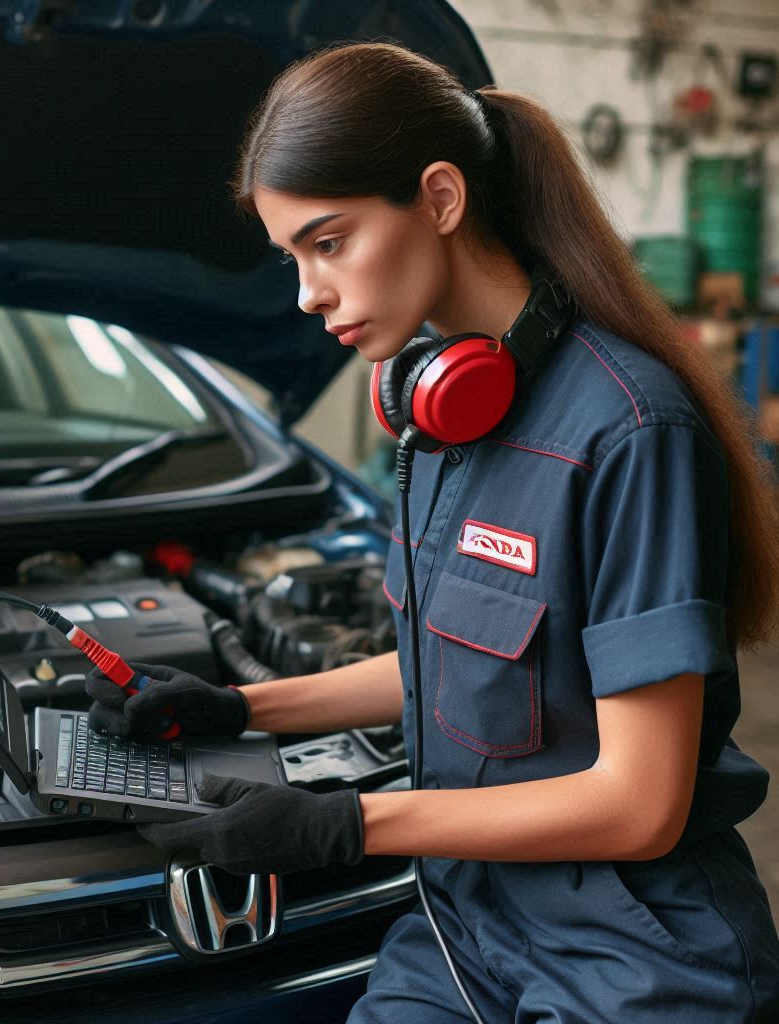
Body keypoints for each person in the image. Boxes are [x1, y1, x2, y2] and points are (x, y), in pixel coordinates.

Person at [87, 42, 779, 1023]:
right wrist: (238, 708)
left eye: (330, 243)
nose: (306, 294)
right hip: (462, 930)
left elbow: (640, 801)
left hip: (631, 962)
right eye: (293, 258)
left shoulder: (628, 432)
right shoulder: (441, 418)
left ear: (442, 198)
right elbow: (451, 663)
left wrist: (345, 823)